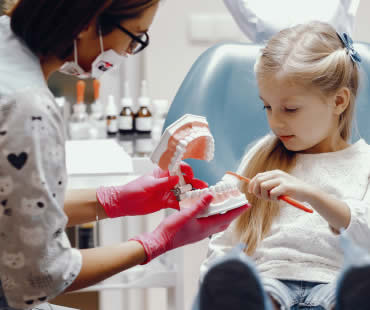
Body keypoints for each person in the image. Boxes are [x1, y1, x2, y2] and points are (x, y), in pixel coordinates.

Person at [0, 0, 248, 309]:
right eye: (135, 37)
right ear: (88, 22)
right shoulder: (27, 108)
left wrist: (116, 200)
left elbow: (13, 211)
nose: (129, 52)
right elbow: (38, 277)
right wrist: (155, 242)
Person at [198, 21, 370, 310]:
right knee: (249, 289)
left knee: (358, 287)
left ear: (339, 101)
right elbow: (227, 240)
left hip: (335, 280)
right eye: (267, 107)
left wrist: (310, 193)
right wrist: (213, 280)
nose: (275, 122)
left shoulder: (365, 164)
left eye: (290, 109)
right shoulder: (261, 157)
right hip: (271, 279)